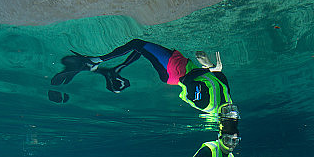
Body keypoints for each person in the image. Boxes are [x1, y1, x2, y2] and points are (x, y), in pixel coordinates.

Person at [48, 39, 233, 118]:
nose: (231, 111)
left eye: (228, 114)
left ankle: (93, 61)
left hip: (174, 71)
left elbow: (188, 82)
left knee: (138, 44)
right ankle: (113, 70)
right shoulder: (226, 98)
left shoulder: (207, 104)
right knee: (141, 50)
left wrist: (207, 68)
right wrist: (212, 69)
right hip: (178, 65)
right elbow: (214, 78)